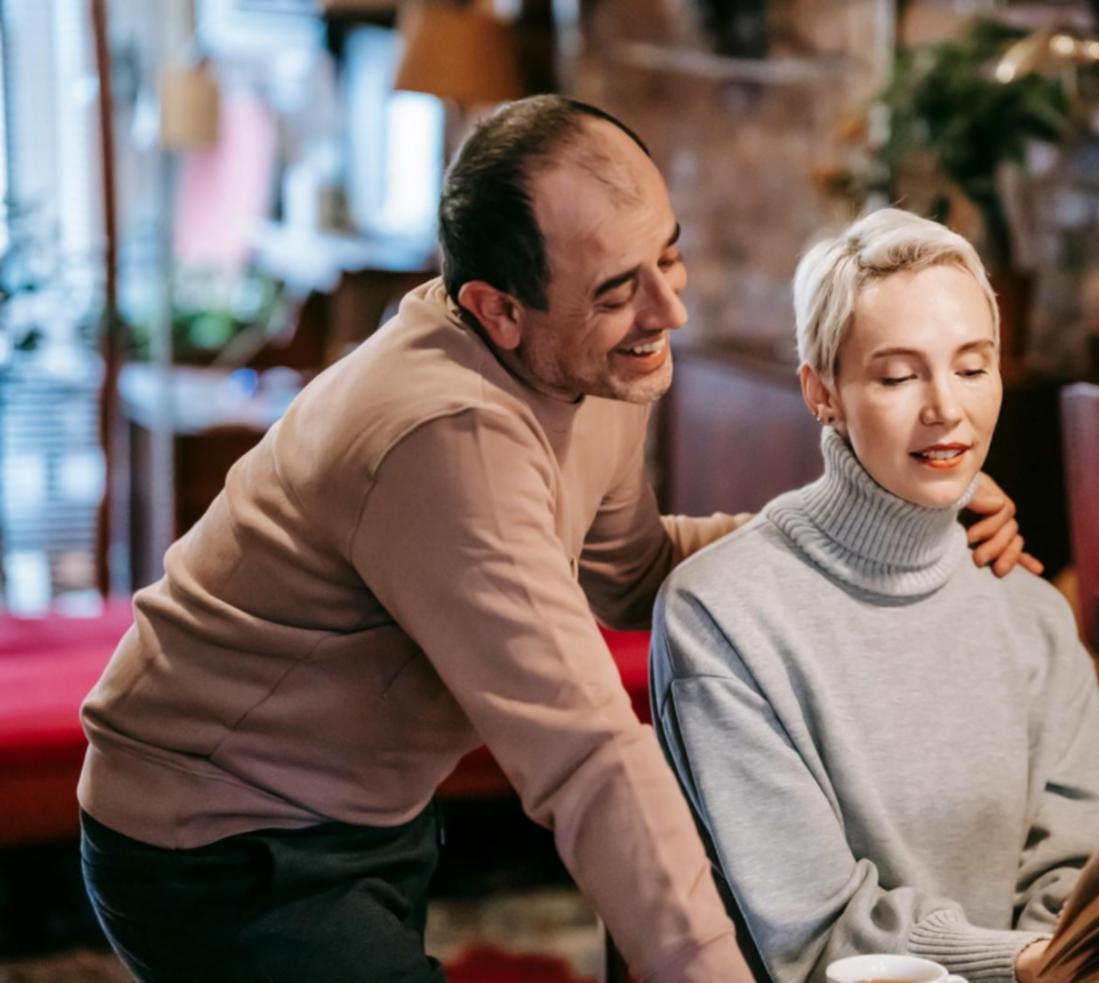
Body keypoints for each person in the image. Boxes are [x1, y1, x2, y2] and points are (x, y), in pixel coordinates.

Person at [77, 98, 1034, 983]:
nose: (670, 311)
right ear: (498, 308)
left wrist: (892, 520)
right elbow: (589, 760)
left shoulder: (590, 363)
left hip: (372, 813)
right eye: (619, 290)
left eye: (670, 257)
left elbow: (629, 569)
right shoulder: (448, 443)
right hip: (216, 834)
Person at [650, 208, 1099, 983]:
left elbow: (1069, 891)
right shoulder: (720, 617)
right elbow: (819, 935)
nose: (946, 408)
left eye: (972, 367)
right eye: (898, 376)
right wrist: (1028, 961)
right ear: (821, 391)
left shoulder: (1032, 614)